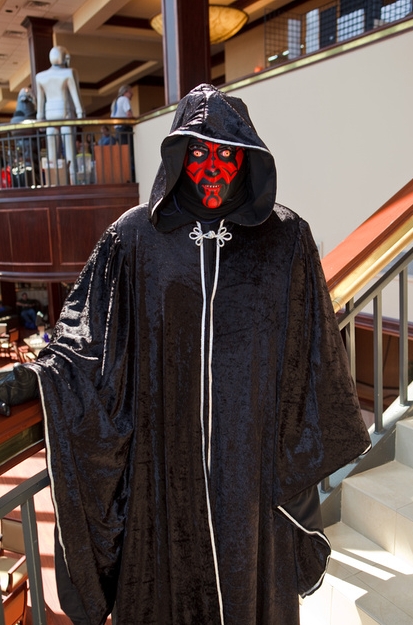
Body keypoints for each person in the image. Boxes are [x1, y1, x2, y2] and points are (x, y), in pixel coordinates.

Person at [0, 84, 370, 625]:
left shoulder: (286, 239)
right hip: (165, 469)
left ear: (246, 156)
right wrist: (38, 377)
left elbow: (312, 355)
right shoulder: (134, 238)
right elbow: (88, 338)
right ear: (178, 156)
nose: (212, 167)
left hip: (252, 471)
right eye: (198, 152)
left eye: (225, 152)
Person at [36, 46, 85, 184]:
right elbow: (75, 95)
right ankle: (73, 182)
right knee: (69, 151)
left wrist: (40, 118)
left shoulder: (40, 76)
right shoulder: (69, 73)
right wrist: (80, 113)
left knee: (52, 154)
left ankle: (53, 183)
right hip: (65, 113)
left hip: (49, 115)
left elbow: (40, 101)